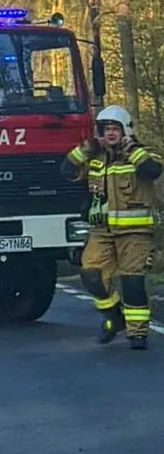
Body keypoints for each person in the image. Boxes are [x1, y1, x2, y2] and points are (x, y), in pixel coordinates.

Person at [60, 104, 163, 349]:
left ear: (125, 129)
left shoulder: (144, 152)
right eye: (106, 129)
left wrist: (131, 149)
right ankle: (114, 315)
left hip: (135, 233)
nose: (110, 134)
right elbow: (66, 170)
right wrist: (87, 148)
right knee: (90, 275)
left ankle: (137, 333)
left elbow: (153, 170)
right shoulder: (96, 157)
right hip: (101, 232)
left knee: (132, 282)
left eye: (115, 129)